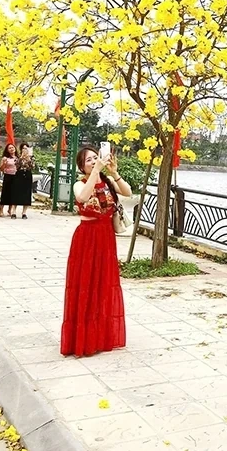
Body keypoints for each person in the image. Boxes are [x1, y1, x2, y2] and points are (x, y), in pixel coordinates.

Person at [60, 146, 131, 357]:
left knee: (102, 284)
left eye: (95, 157)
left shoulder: (108, 182)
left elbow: (127, 192)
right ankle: (82, 338)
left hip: (105, 237)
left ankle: (100, 335)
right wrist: (94, 173)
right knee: (85, 284)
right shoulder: (79, 183)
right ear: (81, 166)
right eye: (89, 160)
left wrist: (113, 172)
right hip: (86, 238)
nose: (93, 161)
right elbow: (82, 198)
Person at [14, 142, 35, 219]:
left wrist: (28, 159)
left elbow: (33, 167)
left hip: (27, 175)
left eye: (26, 148)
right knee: (16, 193)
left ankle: (24, 212)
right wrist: (21, 158)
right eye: (23, 148)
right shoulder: (18, 156)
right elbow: (16, 166)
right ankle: (14, 211)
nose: (25, 150)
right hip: (19, 175)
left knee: (26, 193)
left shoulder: (31, 157)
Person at [0, 143, 19, 218]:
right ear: (7, 150)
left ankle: (10, 209)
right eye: (9, 148)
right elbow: (0, 169)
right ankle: (0, 210)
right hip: (7, 176)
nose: (11, 149)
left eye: (12, 147)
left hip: (15, 176)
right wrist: (4, 164)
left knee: (13, 193)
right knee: (5, 193)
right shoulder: (5, 158)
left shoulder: (18, 158)